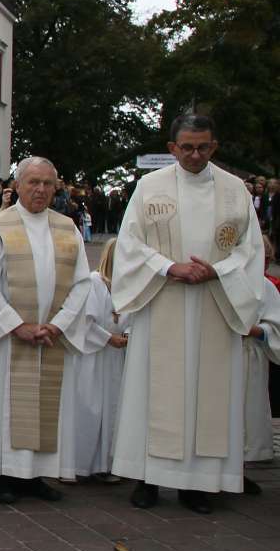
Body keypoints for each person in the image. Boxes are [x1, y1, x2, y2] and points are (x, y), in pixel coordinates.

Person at [111, 115, 263, 514]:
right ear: (173, 148)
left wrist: (219, 270)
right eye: (187, 147)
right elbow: (129, 244)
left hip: (216, 300)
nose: (195, 155)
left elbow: (250, 250)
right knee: (152, 390)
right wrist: (168, 267)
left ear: (214, 147)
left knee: (207, 392)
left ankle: (199, 484)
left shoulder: (235, 191)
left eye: (203, 147)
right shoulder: (149, 187)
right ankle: (146, 479)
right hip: (163, 299)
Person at [0, 158, 94, 504]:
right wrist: (16, 325)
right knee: (4, 407)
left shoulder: (68, 228)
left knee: (47, 408)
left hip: (51, 336)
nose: (40, 189)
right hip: (9, 341)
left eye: (48, 184)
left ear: (56, 187)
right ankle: (0, 475)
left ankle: (36, 475)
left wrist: (59, 324)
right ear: (18, 185)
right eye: (33, 182)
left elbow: (83, 283)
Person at [67, 238, 128, 482]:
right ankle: (81, 464)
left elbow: (133, 320)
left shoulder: (127, 288)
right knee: (89, 409)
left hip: (115, 359)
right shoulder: (95, 282)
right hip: (92, 358)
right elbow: (85, 321)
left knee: (112, 409)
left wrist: (125, 336)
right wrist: (107, 338)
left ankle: (107, 464)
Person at [241, 235, 278, 493]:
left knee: (247, 416)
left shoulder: (268, 288)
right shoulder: (228, 283)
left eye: (267, 258)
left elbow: (276, 326)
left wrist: (256, 330)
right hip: (224, 356)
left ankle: (240, 472)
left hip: (251, 357)